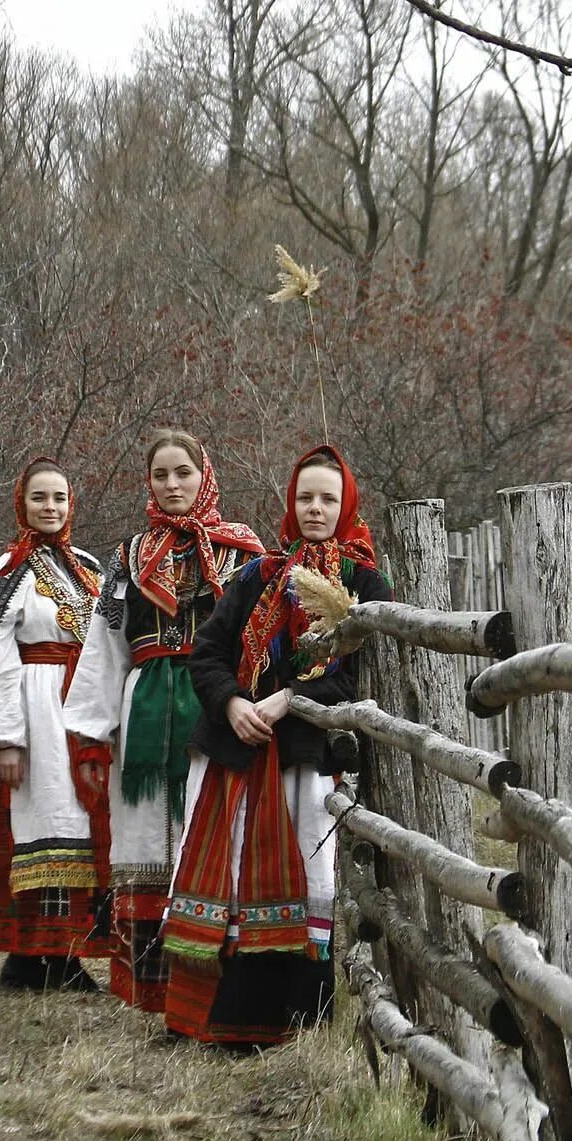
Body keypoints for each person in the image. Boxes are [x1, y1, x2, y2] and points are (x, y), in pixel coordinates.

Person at [163, 444, 392, 1048]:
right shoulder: (260, 574)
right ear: (290, 503)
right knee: (233, 871)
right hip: (238, 750)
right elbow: (207, 653)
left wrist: (285, 699)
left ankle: (293, 1018)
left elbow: (356, 670)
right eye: (305, 497)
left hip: (304, 754)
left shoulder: (364, 581)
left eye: (328, 499)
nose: (315, 509)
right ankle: (214, 1017)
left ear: (347, 506)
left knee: (305, 869)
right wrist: (235, 702)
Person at [63, 430, 263, 1013]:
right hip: (146, 709)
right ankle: (149, 985)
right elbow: (105, 646)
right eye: (160, 476)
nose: (172, 485)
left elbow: (259, 638)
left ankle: (217, 983)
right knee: (147, 836)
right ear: (147, 483)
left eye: (184, 474)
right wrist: (92, 736)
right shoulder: (129, 558)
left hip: (216, 706)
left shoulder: (246, 555)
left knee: (217, 834)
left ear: (205, 478)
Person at [0, 458, 109, 991]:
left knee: (78, 824)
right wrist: (7, 737)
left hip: (79, 709)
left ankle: (65, 950)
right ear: (21, 504)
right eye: (39, 498)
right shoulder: (8, 570)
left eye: (59, 498)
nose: (50, 508)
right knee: (37, 821)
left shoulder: (88, 567)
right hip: (34, 710)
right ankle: (30, 954)